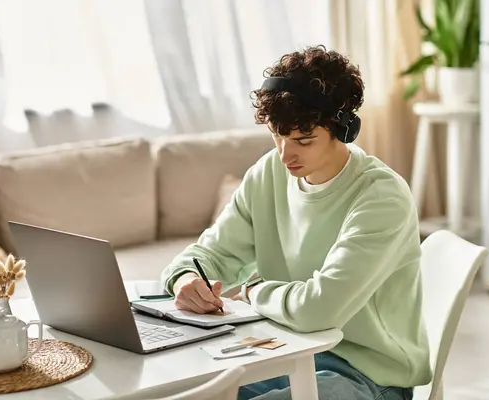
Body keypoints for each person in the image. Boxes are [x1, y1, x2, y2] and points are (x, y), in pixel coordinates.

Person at [160, 45, 432, 400]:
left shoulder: (381, 197)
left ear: (344, 129)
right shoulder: (267, 174)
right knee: (186, 391)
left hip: (369, 377)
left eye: (303, 140)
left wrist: (252, 291)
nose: (286, 155)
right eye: (278, 136)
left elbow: (319, 309)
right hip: (283, 355)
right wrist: (186, 278)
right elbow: (210, 252)